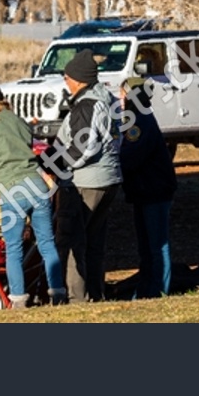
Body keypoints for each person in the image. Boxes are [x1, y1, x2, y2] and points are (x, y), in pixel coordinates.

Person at [0, 77, 64, 308]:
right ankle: (58, 293)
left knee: (14, 249)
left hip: (13, 191)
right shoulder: (19, 120)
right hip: (37, 186)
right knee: (47, 243)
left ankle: (19, 301)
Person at [46, 49, 122, 303]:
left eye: (66, 77)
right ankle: (95, 292)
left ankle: (76, 299)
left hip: (86, 182)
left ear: (78, 79)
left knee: (72, 241)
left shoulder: (87, 104)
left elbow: (84, 147)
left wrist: (55, 166)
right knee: (94, 240)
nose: (65, 82)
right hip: (108, 178)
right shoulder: (107, 99)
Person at [119, 78, 176, 298]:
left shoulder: (140, 123)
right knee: (146, 245)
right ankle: (146, 287)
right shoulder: (138, 119)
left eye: (123, 94)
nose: (121, 99)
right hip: (145, 191)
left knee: (156, 244)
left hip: (154, 191)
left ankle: (159, 288)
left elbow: (132, 157)